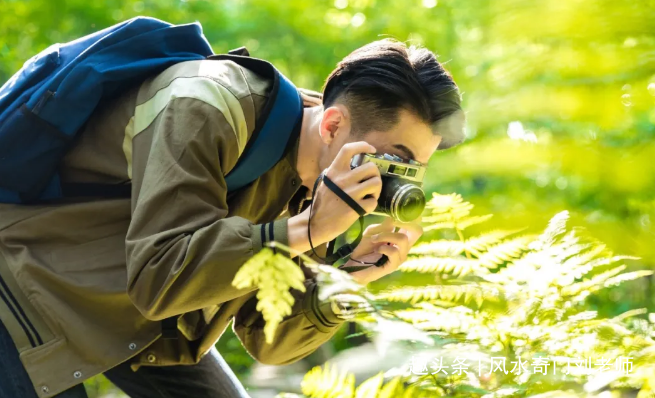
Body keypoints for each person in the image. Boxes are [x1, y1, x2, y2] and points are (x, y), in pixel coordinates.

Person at [0, 38, 465, 398]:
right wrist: (309, 230)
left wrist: (348, 278)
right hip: (27, 283)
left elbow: (268, 340)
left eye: (409, 170)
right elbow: (161, 276)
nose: (390, 183)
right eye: (390, 160)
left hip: (141, 318)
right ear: (332, 125)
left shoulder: (318, 186)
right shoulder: (203, 104)